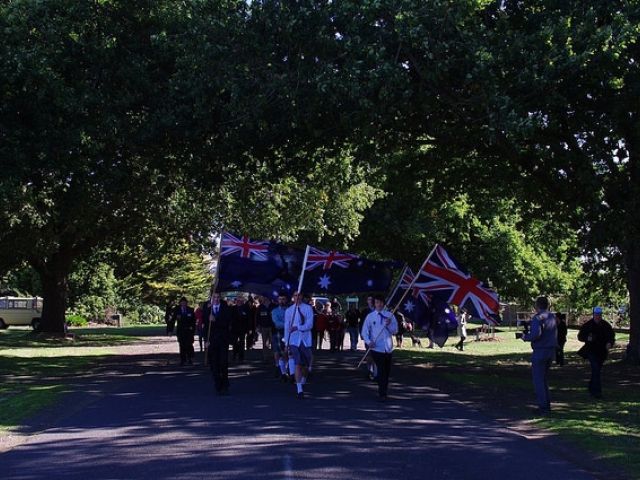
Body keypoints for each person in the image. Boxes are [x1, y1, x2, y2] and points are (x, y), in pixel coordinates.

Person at [519, 296, 557, 414]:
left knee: (538, 380)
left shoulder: (538, 318)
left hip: (540, 351)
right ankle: (547, 405)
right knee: (544, 380)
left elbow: (536, 334)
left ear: (537, 306)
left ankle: (543, 408)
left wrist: (525, 337)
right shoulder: (552, 317)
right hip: (551, 351)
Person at [361, 294, 399, 401]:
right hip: (376, 348)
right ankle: (382, 393)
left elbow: (395, 331)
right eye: (377, 302)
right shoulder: (370, 316)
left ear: (384, 303)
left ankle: (384, 389)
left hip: (388, 348)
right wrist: (369, 342)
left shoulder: (390, 315)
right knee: (381, 370)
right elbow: (364, 332)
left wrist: (390, 324)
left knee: (386, 372)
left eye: (381, 302)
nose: (379, 304)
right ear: (374, 304)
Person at [577, 307, 615, 399]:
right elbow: (580, 336)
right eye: (596, 315)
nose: (598, 317)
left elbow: (611, 336)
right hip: (591, 351)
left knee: (596, 371)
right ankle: (597, 392)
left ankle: (591, 387)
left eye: (599, 315)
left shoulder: (606, 325)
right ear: (593, 314)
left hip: (602, 352)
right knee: (596, 369)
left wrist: (610, 343)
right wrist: (587, 338)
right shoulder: (588, 325)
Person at [284, 291, 314, 399]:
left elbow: (310, 325)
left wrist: (298, 327)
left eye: (299, 295)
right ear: (293, 297)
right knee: (297, 363)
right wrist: (286, 342)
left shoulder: (307, 309)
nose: (297, 297)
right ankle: (299, 389)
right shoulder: (289, 311)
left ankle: (304, 379)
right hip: (294, 341)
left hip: (305, 340)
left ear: (302, 296)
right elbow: (286, 327)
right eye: (295, 295)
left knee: (305, 363)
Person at [205, 293, 235, 395]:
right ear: (211, 299)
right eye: (214, 297)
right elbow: (205, 327)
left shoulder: (225, 309)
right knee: (214, 364)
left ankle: (225, 383)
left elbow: (227, 323)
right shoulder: (208, 310)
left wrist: (215, 320)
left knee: (223, 362)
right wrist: (206, 340)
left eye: (218, 297)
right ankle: (217, 384)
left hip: (223, 340)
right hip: (212, 341)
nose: (216, 299)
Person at [172, 297, 196, 366]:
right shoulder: (177, 310)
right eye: (182, 302)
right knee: (182, 345)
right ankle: (183, 360)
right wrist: (170, 329)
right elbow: (173, 319)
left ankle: (190, 358)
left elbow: (193, 320)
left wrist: (193, 329)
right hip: (181, 331)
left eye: (185, 302)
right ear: (180, 303)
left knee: (189, 345)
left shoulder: (190, 310)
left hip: (189, 330)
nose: (183, 304)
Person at [271, 294, 289, 379]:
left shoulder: (290, 310)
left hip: (288, 333)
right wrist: (288, 325)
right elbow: (277, 323)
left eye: (283, 299)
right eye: (280, 299)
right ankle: (277, 366)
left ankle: (285, 369)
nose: (281, 301)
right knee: (277, 351)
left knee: (287, 352)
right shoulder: (274, 311)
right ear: (277, 300)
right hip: (278, 332)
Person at [231, 296, 250, 362]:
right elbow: (231, 319)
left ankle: (241, 357)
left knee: (242, 342)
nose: (239, 302)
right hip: (234, 329)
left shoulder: (245, 308)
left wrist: (248, 329)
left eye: (240, 300)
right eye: (238, 300)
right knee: (234, 342)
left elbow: (248, 319)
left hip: (242, 328)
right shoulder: (233, 308)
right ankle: (234, 355)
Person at [255, 297, 273, 361]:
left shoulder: (272, 306)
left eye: (267, 298)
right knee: (265, 342)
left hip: (271, 327)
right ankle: (266, 356)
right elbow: (257, 317)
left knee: (272, 342)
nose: (265, 299)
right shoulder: (260, 307)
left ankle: (273, 355)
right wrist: (257, 326)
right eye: (264, 299)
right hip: (263, 327)